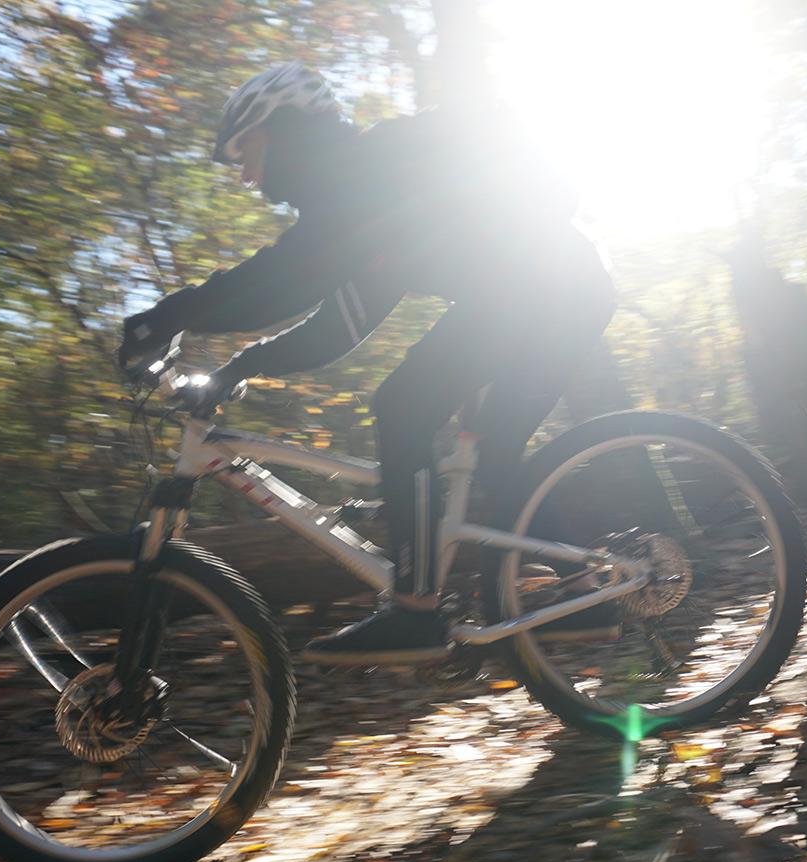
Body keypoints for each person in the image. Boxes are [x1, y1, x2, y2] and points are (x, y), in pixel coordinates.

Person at [119, 61, 617, 665]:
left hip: (542, 291)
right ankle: (584, 595)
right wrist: (240, 366)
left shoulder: (361, 176)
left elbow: (282, 281)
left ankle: (415, 610)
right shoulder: (367, 209)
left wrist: (166, 316)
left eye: (243, 149)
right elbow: (336, 328)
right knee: (491, 453)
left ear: (283, 128)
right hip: (561, 289)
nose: (245, 175)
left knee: (404, 405)